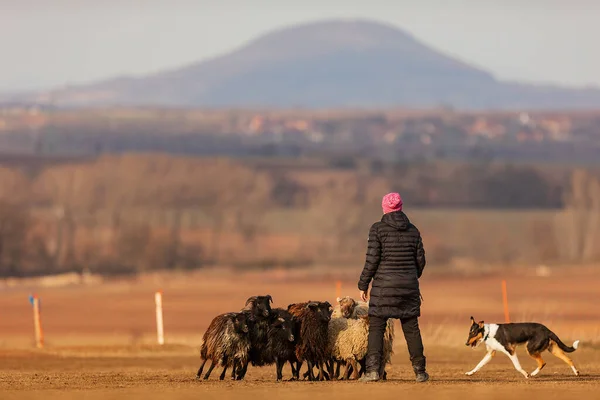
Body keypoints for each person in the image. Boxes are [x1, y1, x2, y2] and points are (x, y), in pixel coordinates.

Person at [358, 192, 428, 382]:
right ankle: (420, 371)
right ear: (400, 207)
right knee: (412, 329)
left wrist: (363, 284)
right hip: (409, 287)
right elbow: (420, 261)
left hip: (383, 288)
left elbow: (371, 260)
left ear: (385, 208)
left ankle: (372, 371)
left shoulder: (377, 229)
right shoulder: (413, 230)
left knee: (376, 328)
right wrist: (411, 277)